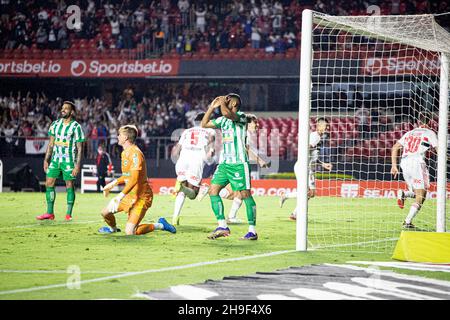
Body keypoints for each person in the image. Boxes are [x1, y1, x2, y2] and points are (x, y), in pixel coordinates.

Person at [99, 125, 176, 235]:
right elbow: (127, 176)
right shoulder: (125, 152)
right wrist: (112, 184)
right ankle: (113, 229)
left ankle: (161, 225)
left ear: (125, 137)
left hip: (141, 197)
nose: (117, 137)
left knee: (130, 232)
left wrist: (118, 197)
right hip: (130, 195)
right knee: (105, 213)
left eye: (119, 135)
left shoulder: (136, 154)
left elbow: (134, 179)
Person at [201, 94, 259, 240]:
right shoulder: (223, 120)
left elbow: (227, 112)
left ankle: (252, 231)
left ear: (234, 103)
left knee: (245, 195)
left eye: (227, 99)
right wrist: (211, 108)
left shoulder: (241, 116)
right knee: (213, 191)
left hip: (239, 164)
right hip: (225, 164)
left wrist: (221, 103)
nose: (224, 100)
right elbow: (204, 124)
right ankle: (222, 226)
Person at [197, 114, 270, 224]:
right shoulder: (244, 132)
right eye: (255, 122)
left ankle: (231, 216)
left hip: (226, 162)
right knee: (241, 192)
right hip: (235, 164)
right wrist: (259, 160)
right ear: (247, 122)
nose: (257, 125)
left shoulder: (238, 130)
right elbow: (246, 149)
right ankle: (231, 217)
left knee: (236, 193)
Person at [36, 101, 85, 221]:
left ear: (72, 112)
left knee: (69, 185)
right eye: (62, 108)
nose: (63, 110)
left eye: (66, 109)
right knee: (49, 183)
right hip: (55, 160)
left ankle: (68, 214)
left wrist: (77, 165)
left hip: (69, 160)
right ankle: (50, 213)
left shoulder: (76, 127)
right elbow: (51, 144)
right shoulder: (55, 124)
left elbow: (80, 148)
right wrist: (46, 159)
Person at [390, 112, 438, 229]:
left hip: (404, 162)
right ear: (430, 122)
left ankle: (404, 194)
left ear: (417, 122)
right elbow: (438, 149)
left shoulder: (409, 133)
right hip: (417, 162)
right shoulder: (430, 132)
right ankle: (407, 222)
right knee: (421, 195)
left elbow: (395, 147)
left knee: (416, 192)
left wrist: (394, 166)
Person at [279, 118, 333, 220]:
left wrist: (323, 164)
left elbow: (312, 156)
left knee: (309, 193)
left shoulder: (318, 138)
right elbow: (306, 148)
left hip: (305, 167)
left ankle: (294, 213)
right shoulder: (315, 137)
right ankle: (286, 196)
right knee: (310, 193)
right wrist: (308, 147)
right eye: (325, 126)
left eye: (328, 126)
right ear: (319, 126)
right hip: (303, 167)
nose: (327, 128)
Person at [171, 112, 215, 226]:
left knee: (182, 191)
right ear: (204, 121)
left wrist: (177, 158)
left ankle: (175, 217)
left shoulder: (186, 131)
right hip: (196, 160)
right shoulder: (209, 130)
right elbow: (211, 143)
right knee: (193, 194)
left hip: (183, 159)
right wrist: (210, 153)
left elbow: (176, 150)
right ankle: (200, 187)